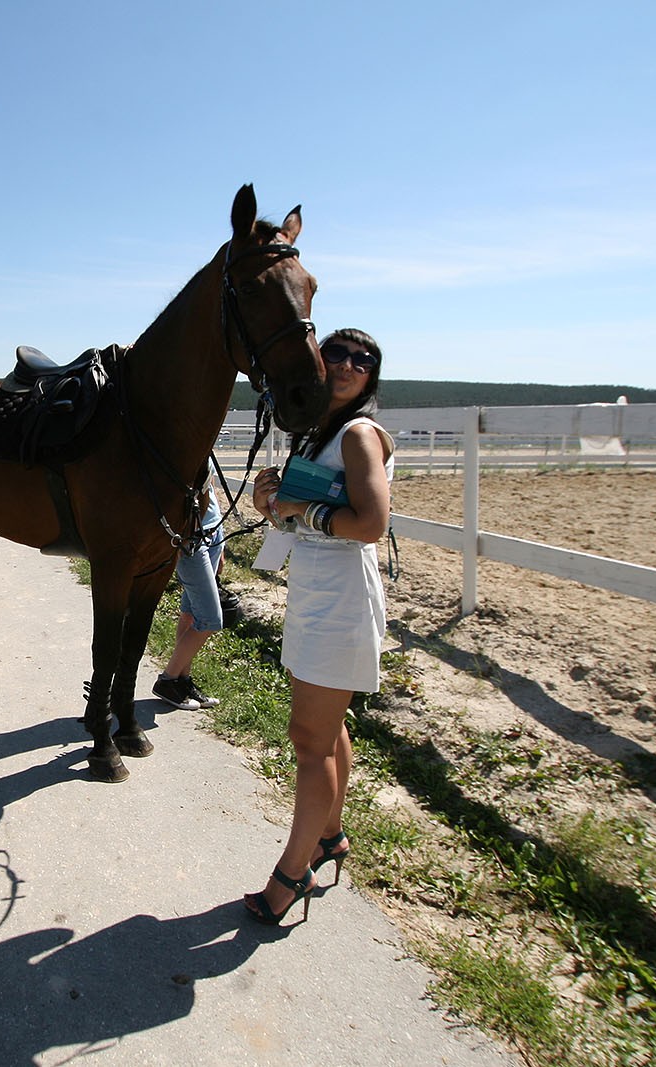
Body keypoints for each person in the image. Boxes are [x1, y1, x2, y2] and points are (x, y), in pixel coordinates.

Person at [243, 328, 395, 925]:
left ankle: (292, 873)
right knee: (324, 733)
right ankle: (330, 837)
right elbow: (301, 522)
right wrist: (271, 506)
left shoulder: (358, 435)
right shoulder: (315, 433)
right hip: (314, 593)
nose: (349, 364)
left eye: (364, 360)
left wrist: (302, 509)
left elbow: (371, 524)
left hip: (341, 602)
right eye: (336, 353)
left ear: (371, 378)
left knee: (309, 742)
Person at [153, 464, 226, 710]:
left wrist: (221, 542)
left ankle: (182, 681)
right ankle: (168, 679)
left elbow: (210, 486)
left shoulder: (204, 437)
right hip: (191, 539)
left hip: (214, 533)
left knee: (190, 614)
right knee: (210, 619)